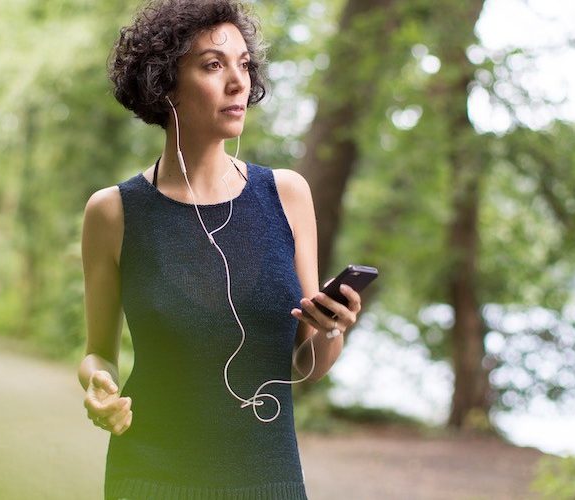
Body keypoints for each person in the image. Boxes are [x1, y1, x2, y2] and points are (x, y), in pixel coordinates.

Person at [78, 1, 363, 498]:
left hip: (267, 477)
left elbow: (308, 364)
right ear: (165, 83)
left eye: (244, 65)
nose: (239, 83)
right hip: (149, 475)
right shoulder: (112, 213)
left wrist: (331, 329)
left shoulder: (288, 194)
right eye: (214, 65)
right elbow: (98, 352)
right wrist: (98, 386)